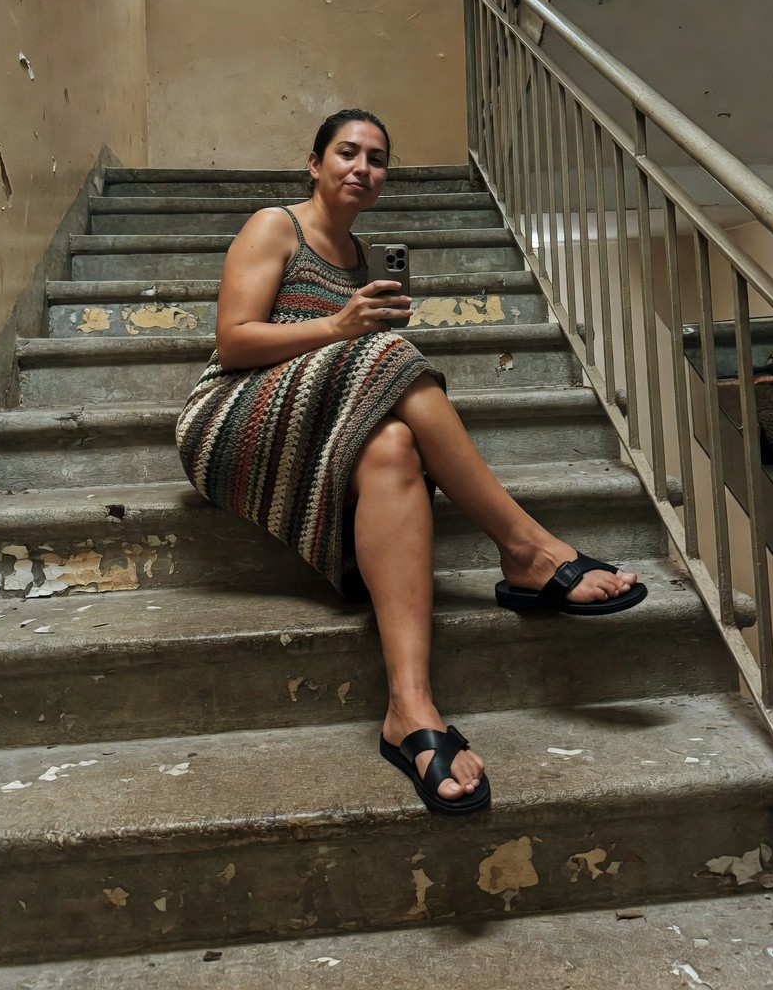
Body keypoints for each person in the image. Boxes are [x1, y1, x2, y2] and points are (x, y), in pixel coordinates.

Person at [176, 109, 647, 816]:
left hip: (314, 428)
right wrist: (344, 330)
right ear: (313, 163)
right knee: (390, 359)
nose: (362, 168)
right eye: (346, 153)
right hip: (231, 419)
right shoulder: (275, 225)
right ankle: (526, 550)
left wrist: (361, 343)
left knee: (394, 444)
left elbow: (347, 359)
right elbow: (235, 342)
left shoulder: (365, 257)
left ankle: (409, 709)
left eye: (377, 159)